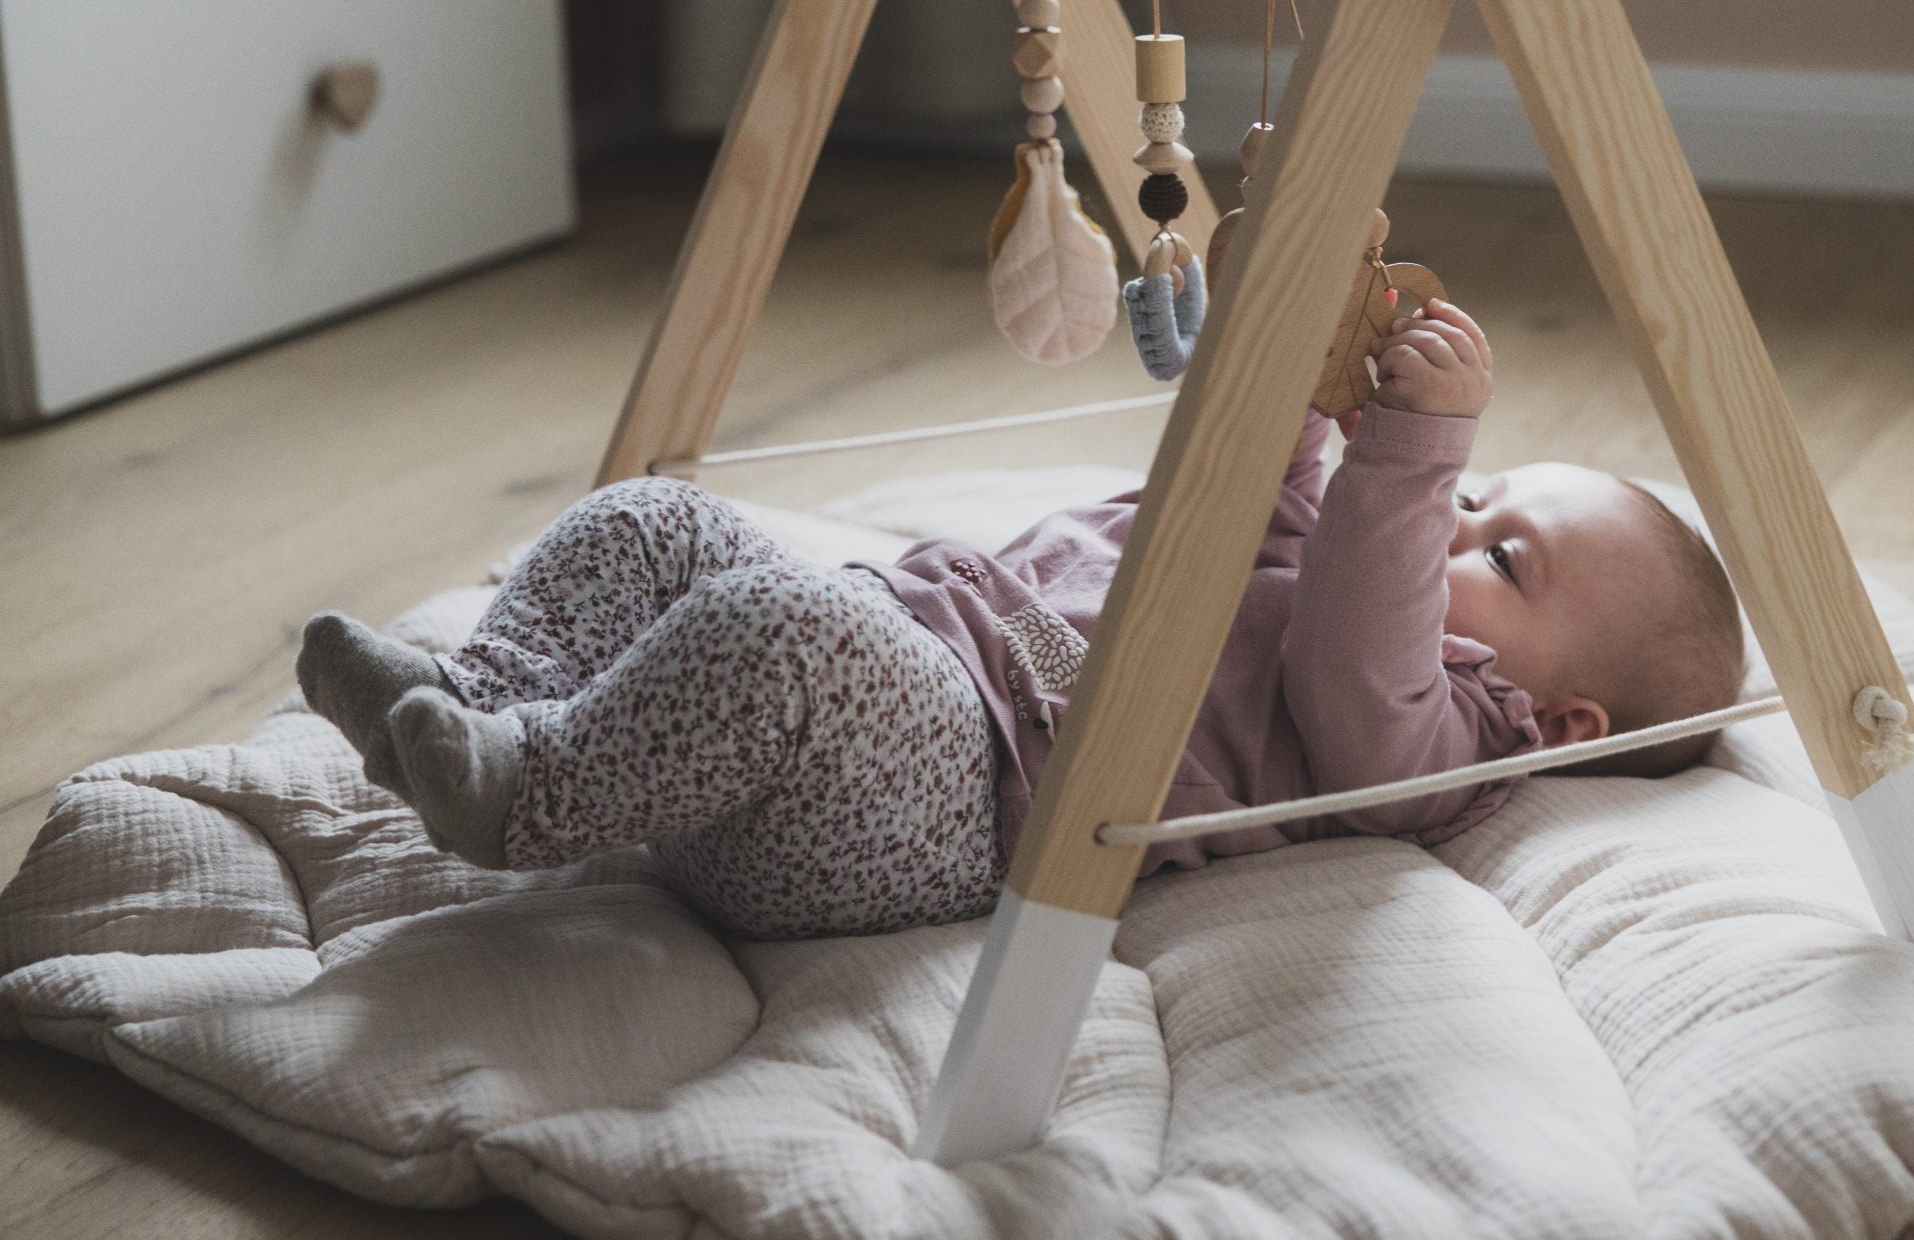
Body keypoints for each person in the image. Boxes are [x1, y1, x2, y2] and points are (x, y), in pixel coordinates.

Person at [295, 300, 1747, 940]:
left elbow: (1353, 664)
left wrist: (1414, 462)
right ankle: (481, 701)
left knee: (776, 630)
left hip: (944, 805)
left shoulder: (1447, 741)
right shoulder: (1345, 549)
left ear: (1565, 720)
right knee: (653, 518)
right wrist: (1295, 383)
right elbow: (1237, 500)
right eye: (1473, 498)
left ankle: (528, 798)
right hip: (906, 665)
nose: (1447, 526)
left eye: (1501, 550)